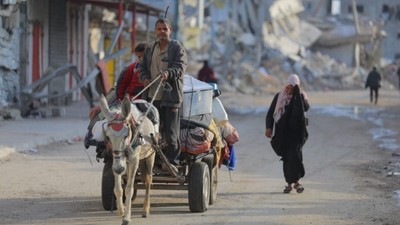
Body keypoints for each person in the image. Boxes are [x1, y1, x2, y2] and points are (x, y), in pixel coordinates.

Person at [139, 18, 187, 171]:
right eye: (159, 29)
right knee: (152, 132)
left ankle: (172, 161)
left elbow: (180, 68)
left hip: (171, 98)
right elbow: (142, 68)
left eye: (165, 29)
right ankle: (155, 161)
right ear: (155, 31)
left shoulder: (177, 48)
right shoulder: (149, 48)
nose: (162, 32)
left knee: (171, 132)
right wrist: (144, 79)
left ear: (170, 30)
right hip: (152, 98)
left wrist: (168, 73)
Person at [265, 74, 309, 194]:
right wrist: (269, 128)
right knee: (287, 158)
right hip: (283, 133)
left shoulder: (301, 96)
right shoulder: (279, 96)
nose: (289, 91)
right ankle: (290, 183)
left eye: (292, 88)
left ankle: (297, 182)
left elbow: (306, 108)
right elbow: (270, 113)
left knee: (296, 156)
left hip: (297, 134)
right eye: (288, 88)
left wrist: (299, 96)